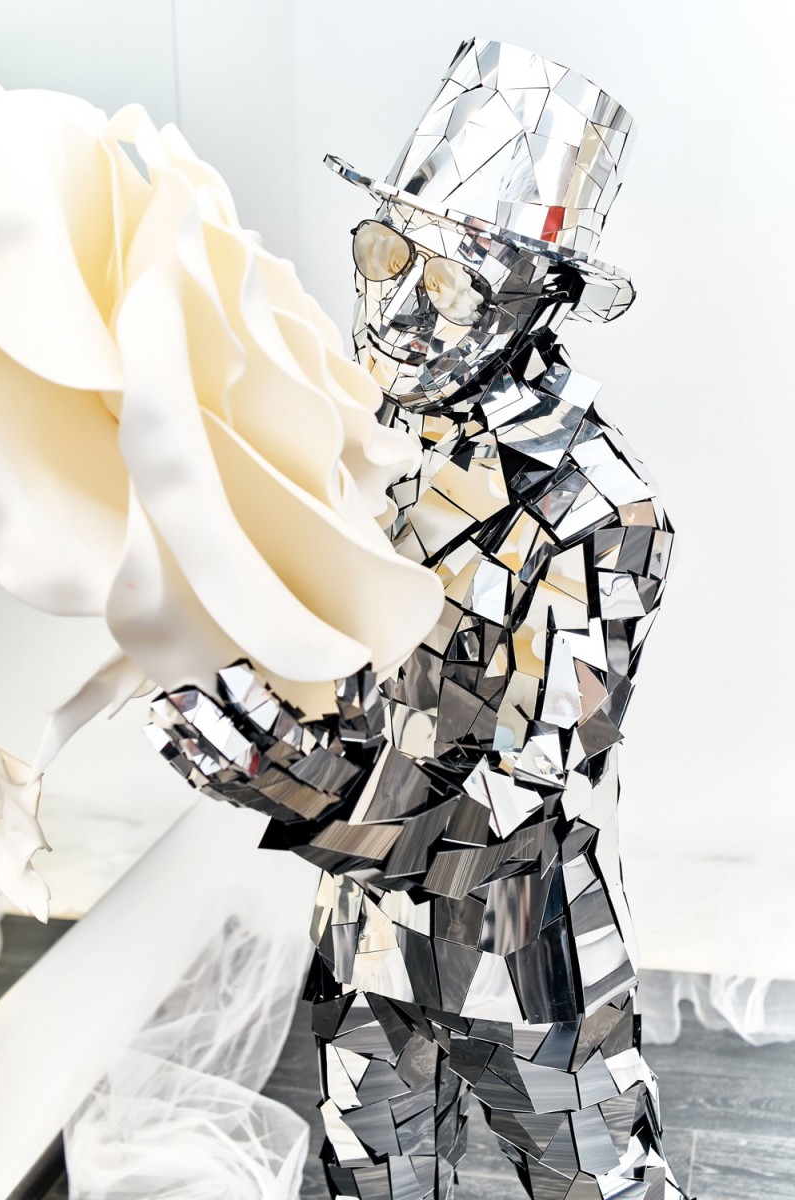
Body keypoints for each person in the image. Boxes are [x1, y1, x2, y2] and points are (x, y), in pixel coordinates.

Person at [153, 38, 689, 1200]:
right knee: (369, 1180)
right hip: (362, 934)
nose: (396, 309)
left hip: (524, 952)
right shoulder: (358, 428)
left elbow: (518, 805)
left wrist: (293, 779)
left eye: (452, 282)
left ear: (541, 297)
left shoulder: (603, 512)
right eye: (385, 252)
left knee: (597, 1184)